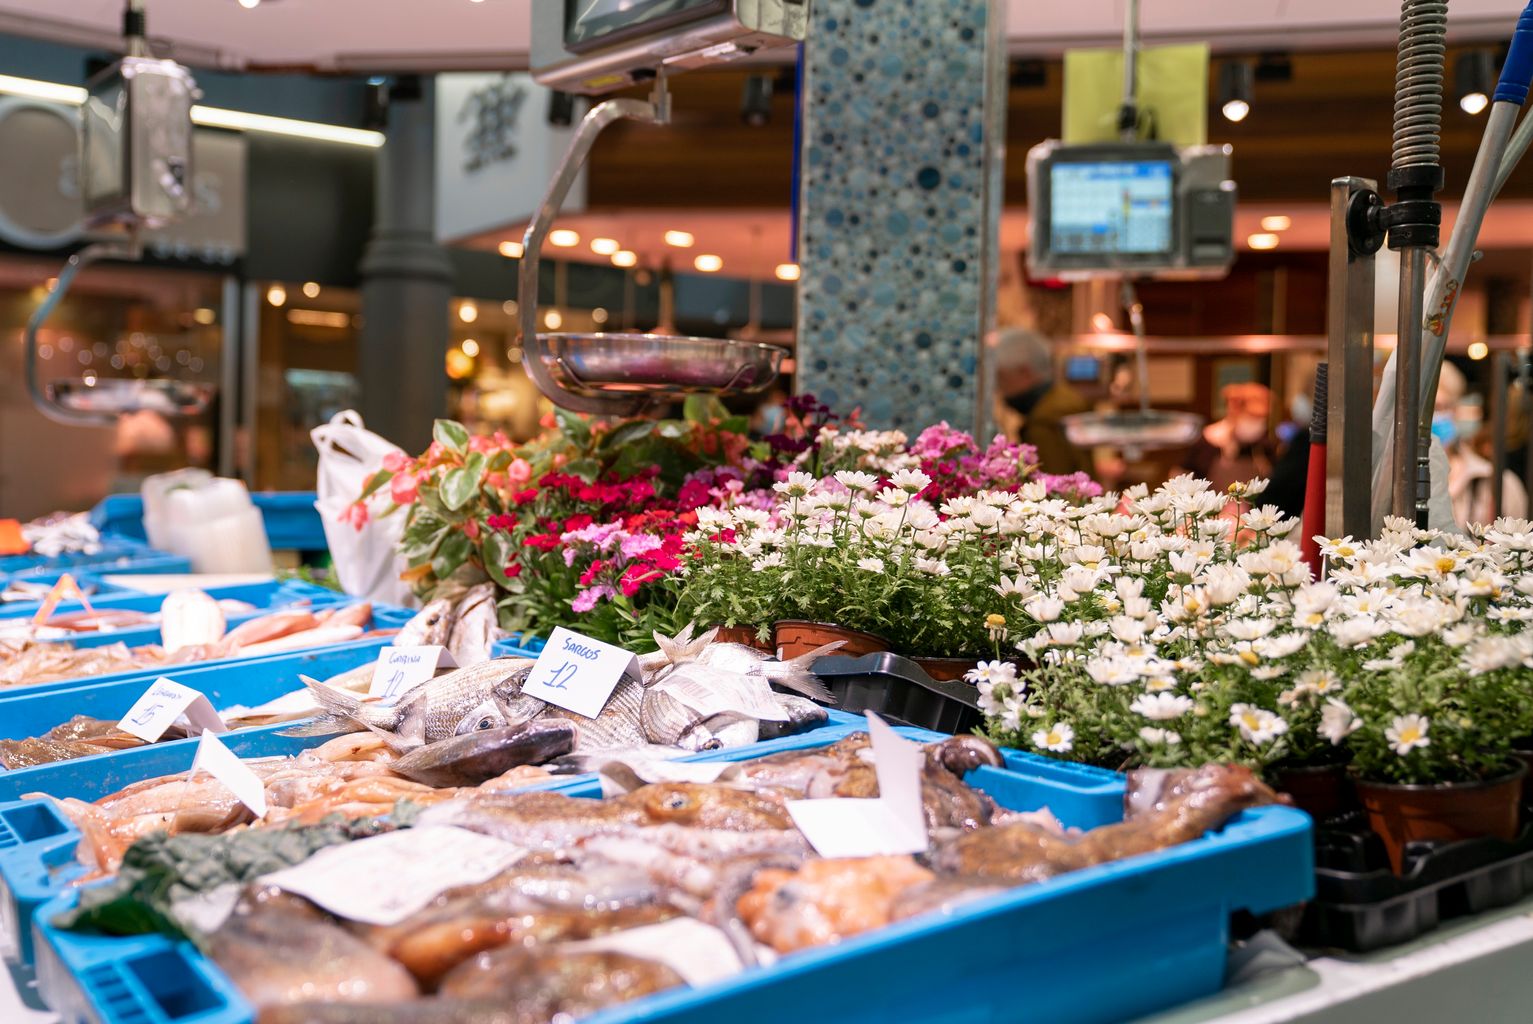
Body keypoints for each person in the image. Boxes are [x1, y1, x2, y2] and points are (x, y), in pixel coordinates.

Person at [1434, 361, 1528, 527]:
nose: (1430, 418)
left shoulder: (1498, 484)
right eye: (1421, 410)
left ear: (1455, 410)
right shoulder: (1391, 484)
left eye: (1439, 407)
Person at [992, 327, 1092, 476]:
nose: (999, 388)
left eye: (1002, 378)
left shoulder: (1044, 424)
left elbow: (1051, 484)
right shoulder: (1065, 400)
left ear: (1024, 373)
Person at [1181, 382, 1278, 494]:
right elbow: (1186, 474)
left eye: (1262, 419)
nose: (1258, 424)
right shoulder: (1210, 439)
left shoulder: (1264, 443)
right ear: (1235, 409)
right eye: (1252, 418)